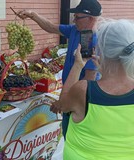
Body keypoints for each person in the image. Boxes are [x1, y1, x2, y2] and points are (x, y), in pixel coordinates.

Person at [17, 0, 102, 139]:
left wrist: (65, 101)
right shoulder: (76, 30)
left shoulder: (95, 42)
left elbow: (88, 82)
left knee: (74, 137)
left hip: (80, 102)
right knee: (67, 134)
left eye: (78, 17)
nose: (74, 20)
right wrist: (33, 15)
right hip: (69, 95)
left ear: (91, 19)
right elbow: (51, 27)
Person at [55, 19, 134, 159]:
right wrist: (105, 71)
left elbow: (62, 104)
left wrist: (78, 65)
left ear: (100, 49)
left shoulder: (84, 90)